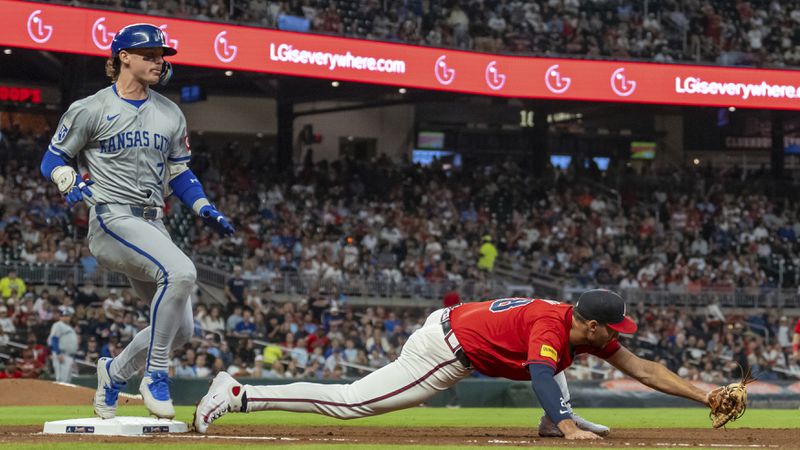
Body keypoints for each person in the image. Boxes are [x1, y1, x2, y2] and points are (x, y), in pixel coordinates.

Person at [193, 290, 715, 439]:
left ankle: (553, 423)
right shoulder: (553, 326)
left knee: (557, 362)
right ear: (596, 325)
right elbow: (538, 370)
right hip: (443, 350)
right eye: (614, 330)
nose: (618, 338)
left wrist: (706, 395)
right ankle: (240, 394)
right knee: (352, 404)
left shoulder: (576, 327)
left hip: (458, 326)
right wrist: (566, 421)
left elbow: (645, 369)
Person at [39, 23, 234, 419]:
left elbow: (180, 173)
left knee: (181, 332)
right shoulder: (91, 108)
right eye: (150, 55)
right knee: (181, 273)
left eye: (161, 56)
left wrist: (203, 207)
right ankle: (155, 375)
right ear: (123, 57)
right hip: (112, 217)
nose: (159, 62)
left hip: (152, 223)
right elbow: (53, 157)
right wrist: (66, 177)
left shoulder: (170, 112)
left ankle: (113, 373)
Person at [49, 306, 79, 383]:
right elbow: (54, 339)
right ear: (61, 317)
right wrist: (58, 354)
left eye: (67, 316)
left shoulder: (69, 327)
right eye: (64, 316)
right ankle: (56, 395)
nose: (66, 318)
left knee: (67, 380)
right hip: (62, 355)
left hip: (69, 356)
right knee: (61, 380)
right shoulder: (58, 325)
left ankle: (62, 395)